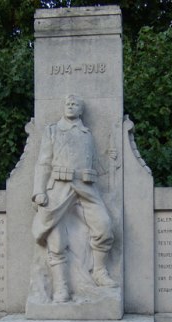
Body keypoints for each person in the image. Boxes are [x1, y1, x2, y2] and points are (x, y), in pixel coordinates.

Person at [32, 94, 118, 303]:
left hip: (85, 187)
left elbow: (96, 164)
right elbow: (43, 163)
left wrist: (112, 159)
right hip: (59, 188)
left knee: (104, 226)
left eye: (75, 104)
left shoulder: (86, 134)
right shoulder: (53, 130)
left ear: (81, 111)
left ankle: (99, 272)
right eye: (67, 104)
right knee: (56, 239)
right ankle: (61, 288)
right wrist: (39, 191)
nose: (70, 107)